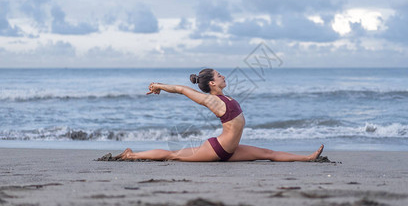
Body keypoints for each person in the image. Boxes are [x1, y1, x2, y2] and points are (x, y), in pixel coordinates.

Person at [115, 68, 324, 162]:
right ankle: (131, 155)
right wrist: (158, 86)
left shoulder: (227, 98)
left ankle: (308, 157)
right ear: (212, 83)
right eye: (219, 74)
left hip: (231, 150)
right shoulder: (212, 100)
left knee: (268, 153)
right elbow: (181, 89)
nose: (224, 75)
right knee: (175, 155)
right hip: (219, 149)